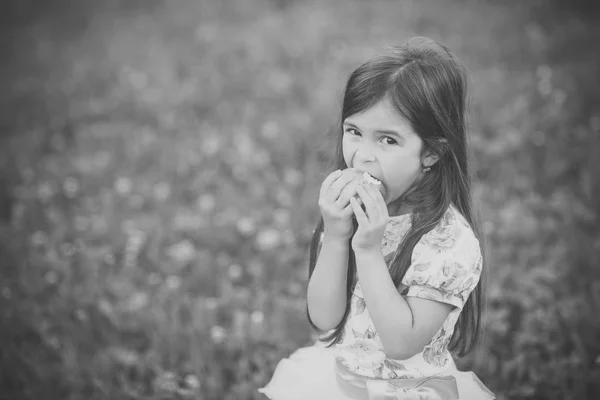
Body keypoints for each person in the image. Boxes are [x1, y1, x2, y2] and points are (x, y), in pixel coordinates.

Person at [258, 37, 495, 400]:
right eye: (354, 132)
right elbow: (324, 318)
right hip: (339, 384)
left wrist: (368, 251)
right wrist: (337, 237)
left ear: (431, 152)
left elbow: (401, 342)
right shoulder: (350, 216)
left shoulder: (448, 242)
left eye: (387, 140)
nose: (362, 156)